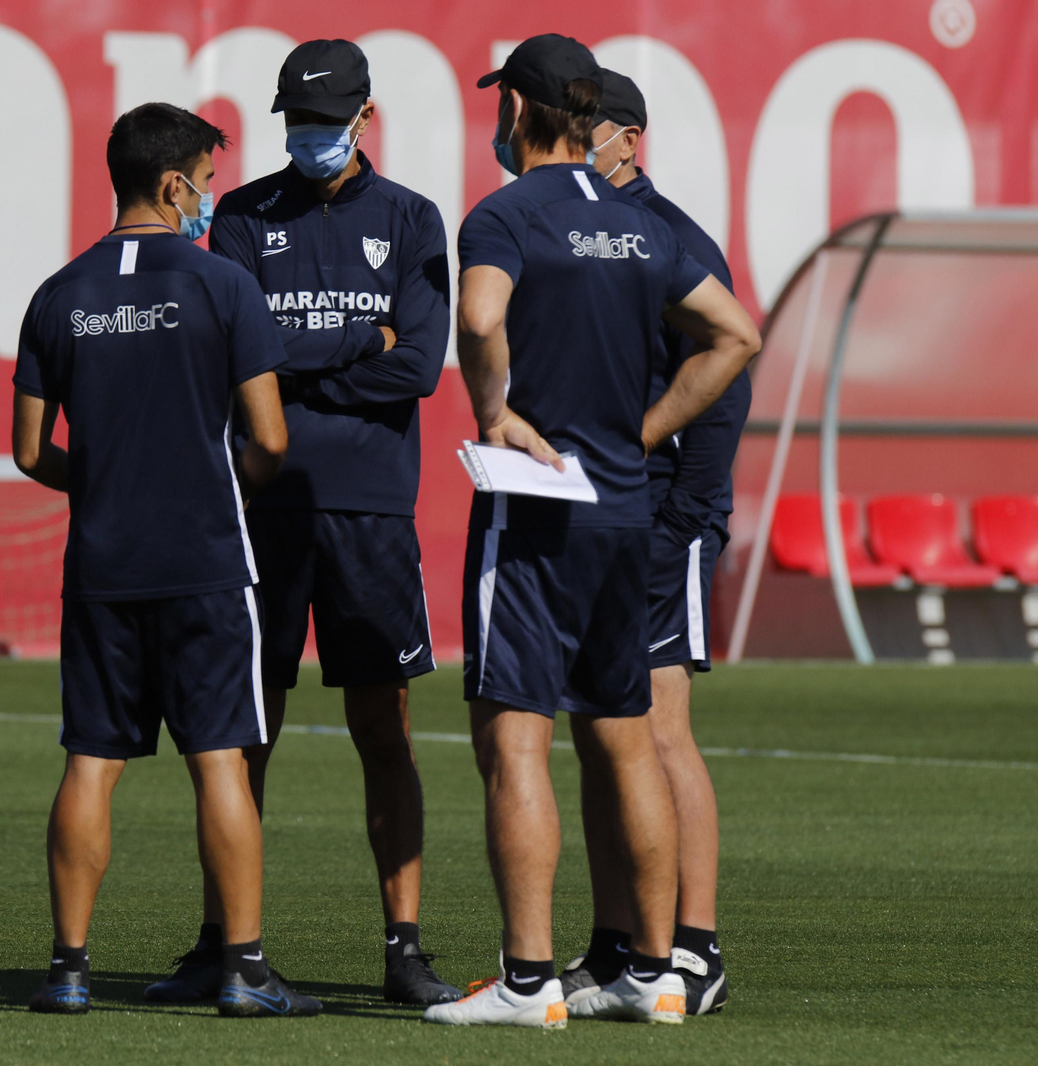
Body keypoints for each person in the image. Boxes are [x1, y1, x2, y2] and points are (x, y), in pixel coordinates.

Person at [422, 36, 760, 1028]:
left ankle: (528, 982)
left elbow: (480, 319)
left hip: (533, 509)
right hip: (622, 511)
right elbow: (735, 335)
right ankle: (652, 971)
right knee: (624, 741)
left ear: (521, 111)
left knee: (513, 738)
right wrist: (637, 435)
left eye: (500, 105)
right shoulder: (640, 227)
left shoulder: (504, 215)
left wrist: (491, 409)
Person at [143, 38, 459, 1007]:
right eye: (296, 122)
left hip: (368, 508)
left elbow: (417, 366)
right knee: (245, 726)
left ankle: (402, 944)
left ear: (364, 117)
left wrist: (298, 357)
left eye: (326, 121)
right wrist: (361, 337)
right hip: (259, 503)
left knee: (382, 725)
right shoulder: (241, 215)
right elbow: (237, 351)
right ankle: (225, 940)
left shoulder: (410, 218)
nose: (310, 137)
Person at [12, 101, 319, 1018]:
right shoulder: (223, 285)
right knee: (222, 759)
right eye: (208, 181)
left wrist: (110, 483)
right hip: (206, 562)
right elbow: (269, 437)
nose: (211, 198)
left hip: (103, 562)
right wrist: (219, 487)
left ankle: (69, 969)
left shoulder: (58, 293)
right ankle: (245, 969)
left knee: (89, 762)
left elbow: (30, 451)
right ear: (174, 182)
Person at [558, 68, 749, 1018]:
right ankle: (617, 945)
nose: (568, 141)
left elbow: (725, 376)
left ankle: (696, 951)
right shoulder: (577, 231)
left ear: (627, 138)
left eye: (584, 128)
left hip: (660, 513)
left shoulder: (669, 235)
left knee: (659, 728)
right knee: (600, 731)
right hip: (597, 513)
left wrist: (685, 518)